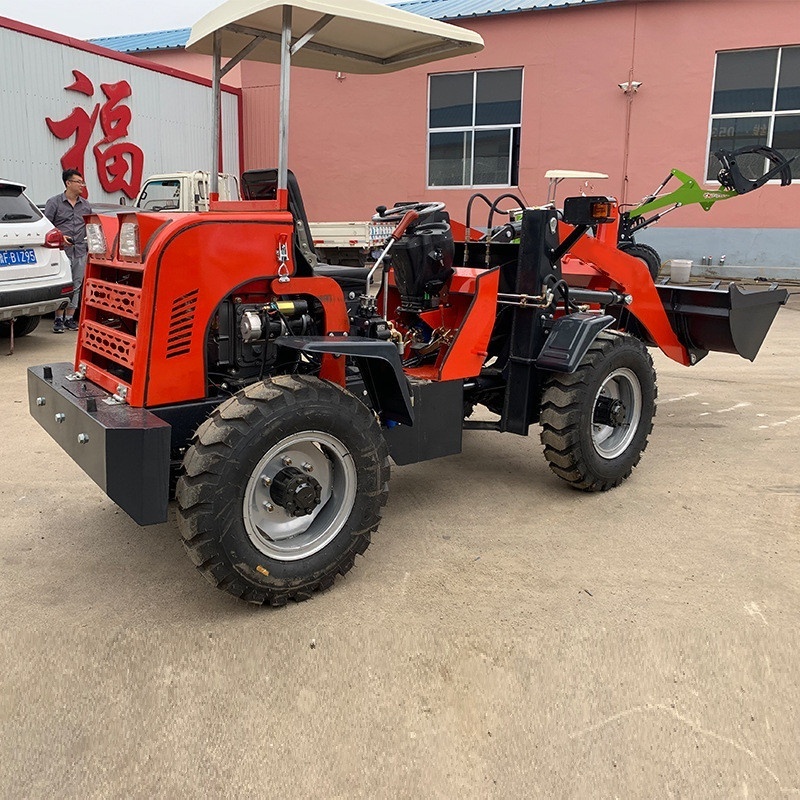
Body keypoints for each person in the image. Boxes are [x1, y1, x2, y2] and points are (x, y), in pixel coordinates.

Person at [44, 169, 92, 333]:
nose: (81, 185)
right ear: (68, 183)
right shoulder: (54, 202)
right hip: (61, 251)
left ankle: (70, 319)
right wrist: (60, 236)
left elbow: (89, 226)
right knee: (63, 285)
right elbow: (47, 226)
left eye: (82, 182)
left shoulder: (85, 205)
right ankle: (58, 319)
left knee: (76, 285)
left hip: (79, 250)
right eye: (78, 182)